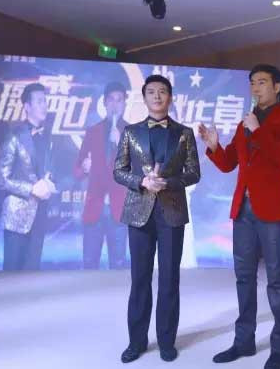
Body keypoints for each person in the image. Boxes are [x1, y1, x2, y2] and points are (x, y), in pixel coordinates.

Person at [198, 64, 280, 369]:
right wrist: (214, 146)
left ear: (277, 86)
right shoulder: (245, 121)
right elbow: (229, 163)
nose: (256, 88)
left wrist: (258, 130)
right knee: (244, 277)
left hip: (272, 210)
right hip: (243, 210)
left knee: (277, 279)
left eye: (262, 82)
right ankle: (243, 341)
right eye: (253, 83)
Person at [114, 75, 200, 363]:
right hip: (139, 213)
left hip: (171, 211)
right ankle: (136, 342)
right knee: (139, 279)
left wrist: (168, 182)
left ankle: (166, 341)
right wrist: (141, 181)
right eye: (151, 92)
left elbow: (194, 172)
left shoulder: (184, 133)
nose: (157, 96)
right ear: (144, 97)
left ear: (170, 97)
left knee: (169, 279)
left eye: (162, 92)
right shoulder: (131, 132)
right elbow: (118, 170)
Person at [0, 82, 56, 271]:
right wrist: (31, 189)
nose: (44, 105)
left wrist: (49, 182)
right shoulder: (14, 135)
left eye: (45, 101)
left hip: (39, 215)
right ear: (27, 106)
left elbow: (46, 170)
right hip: (16, 218)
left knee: (32, 274)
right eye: (39, 101)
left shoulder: (47, 136)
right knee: (11, 274)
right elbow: (2, 179)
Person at [73, 82, 128, 269]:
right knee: (89, 263)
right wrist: (84, 168)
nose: (115, 104)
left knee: (118, 265)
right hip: (94, 208)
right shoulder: (93, 132)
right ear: (104, 103)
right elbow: (77, 170)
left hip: (119, 210)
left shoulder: (133, 133)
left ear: (125, 104)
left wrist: (121, 143)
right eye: (111, 100)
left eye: (119, 100)